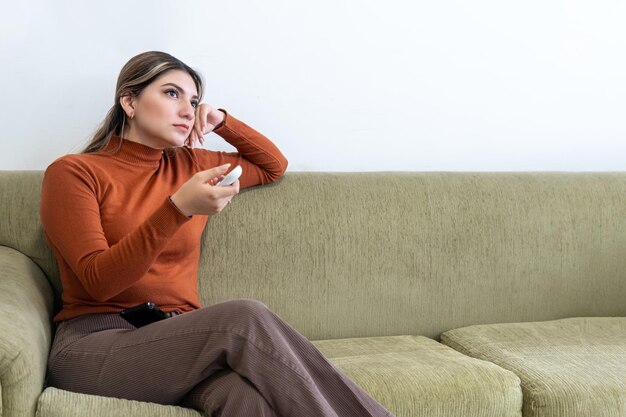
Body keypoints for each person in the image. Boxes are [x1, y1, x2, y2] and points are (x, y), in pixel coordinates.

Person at [40, 51, 394, 417]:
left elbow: (273, 166)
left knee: (247, 399)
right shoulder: (73, 173)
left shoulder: (191, 165)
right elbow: (99, 282)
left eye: (193, 101)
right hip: (95, 346)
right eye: (171, 94)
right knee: (243, 317)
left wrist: (221, 120)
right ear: (129, 101)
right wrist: (177, 209)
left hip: (179, 342)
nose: (187, 110)